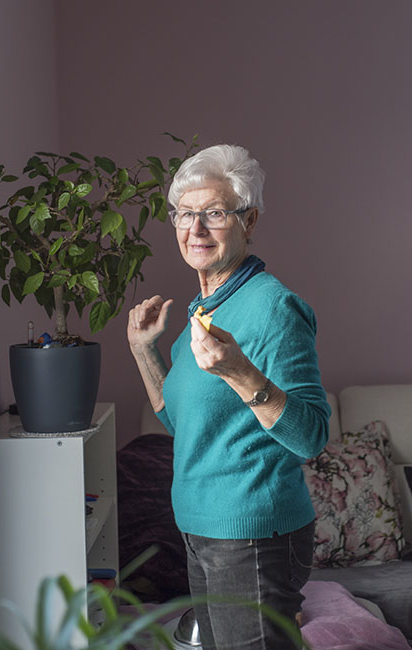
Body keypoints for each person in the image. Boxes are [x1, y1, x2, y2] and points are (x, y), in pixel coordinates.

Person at [127, 144, 331, 650]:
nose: (195, 229)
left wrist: (239, 371)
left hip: (253, 533)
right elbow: (187, 426)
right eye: (184, 214)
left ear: (249, 220)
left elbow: (311, 437)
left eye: (214, 213)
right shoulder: (205, 307)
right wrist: (143, 351)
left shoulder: (274, 307)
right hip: (201, 531)